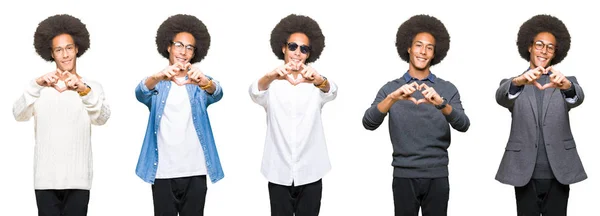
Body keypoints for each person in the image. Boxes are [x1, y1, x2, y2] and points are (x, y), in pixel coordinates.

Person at [362, 14, 470, 216]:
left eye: (429, 47)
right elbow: (368, 122)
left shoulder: (446, 89)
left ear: (434, 53)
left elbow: (464, 125)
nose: (423, 51)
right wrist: (393, 98)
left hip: (437, 174)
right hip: (404, 175)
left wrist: (441, 104)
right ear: (408, 48)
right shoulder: (391, 89)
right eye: (419, 45)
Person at [12, 14, 111, 216]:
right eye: (59, 50)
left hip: (79, 180)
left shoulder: (92, 87)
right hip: (45, 180)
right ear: (52, 54)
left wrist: (84, 90)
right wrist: (35, 85)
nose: (65, 55)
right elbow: (18, 114)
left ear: (77, 49)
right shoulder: (39, 88)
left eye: (68, 48)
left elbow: (102, 118)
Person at [495, 14, 586, 216]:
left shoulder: (566, 81)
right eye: (539, 44)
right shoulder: (514, 83)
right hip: (524, 172)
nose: (544, 51)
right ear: (529, 47)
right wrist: (518, 82)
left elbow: (578, 97)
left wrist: (567, 86)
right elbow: (501, 97)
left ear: (555, 52)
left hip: (559, 171)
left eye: (550, 47)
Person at [134, 14, 224, 216]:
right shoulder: (157, 84)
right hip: (162, 171)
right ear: (168, 46)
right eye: (179, 45)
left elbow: (217, 93)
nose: (183, 51)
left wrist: (204, 82)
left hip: (195, 170)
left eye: (189, 47)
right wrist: (159, 75)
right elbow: (140, 93)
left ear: (194, 53)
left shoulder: (199, 82)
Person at [248, 14, 337, 216]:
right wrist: (273, 75)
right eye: (293, 46)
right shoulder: (270, 85)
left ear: (309, 54)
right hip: (278, 171)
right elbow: (254, 92)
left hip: (311, 171)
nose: (297, 52)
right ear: (283, 48)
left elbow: (332, 91)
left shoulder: (315, 84)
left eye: (304, 49)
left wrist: (318, 79)